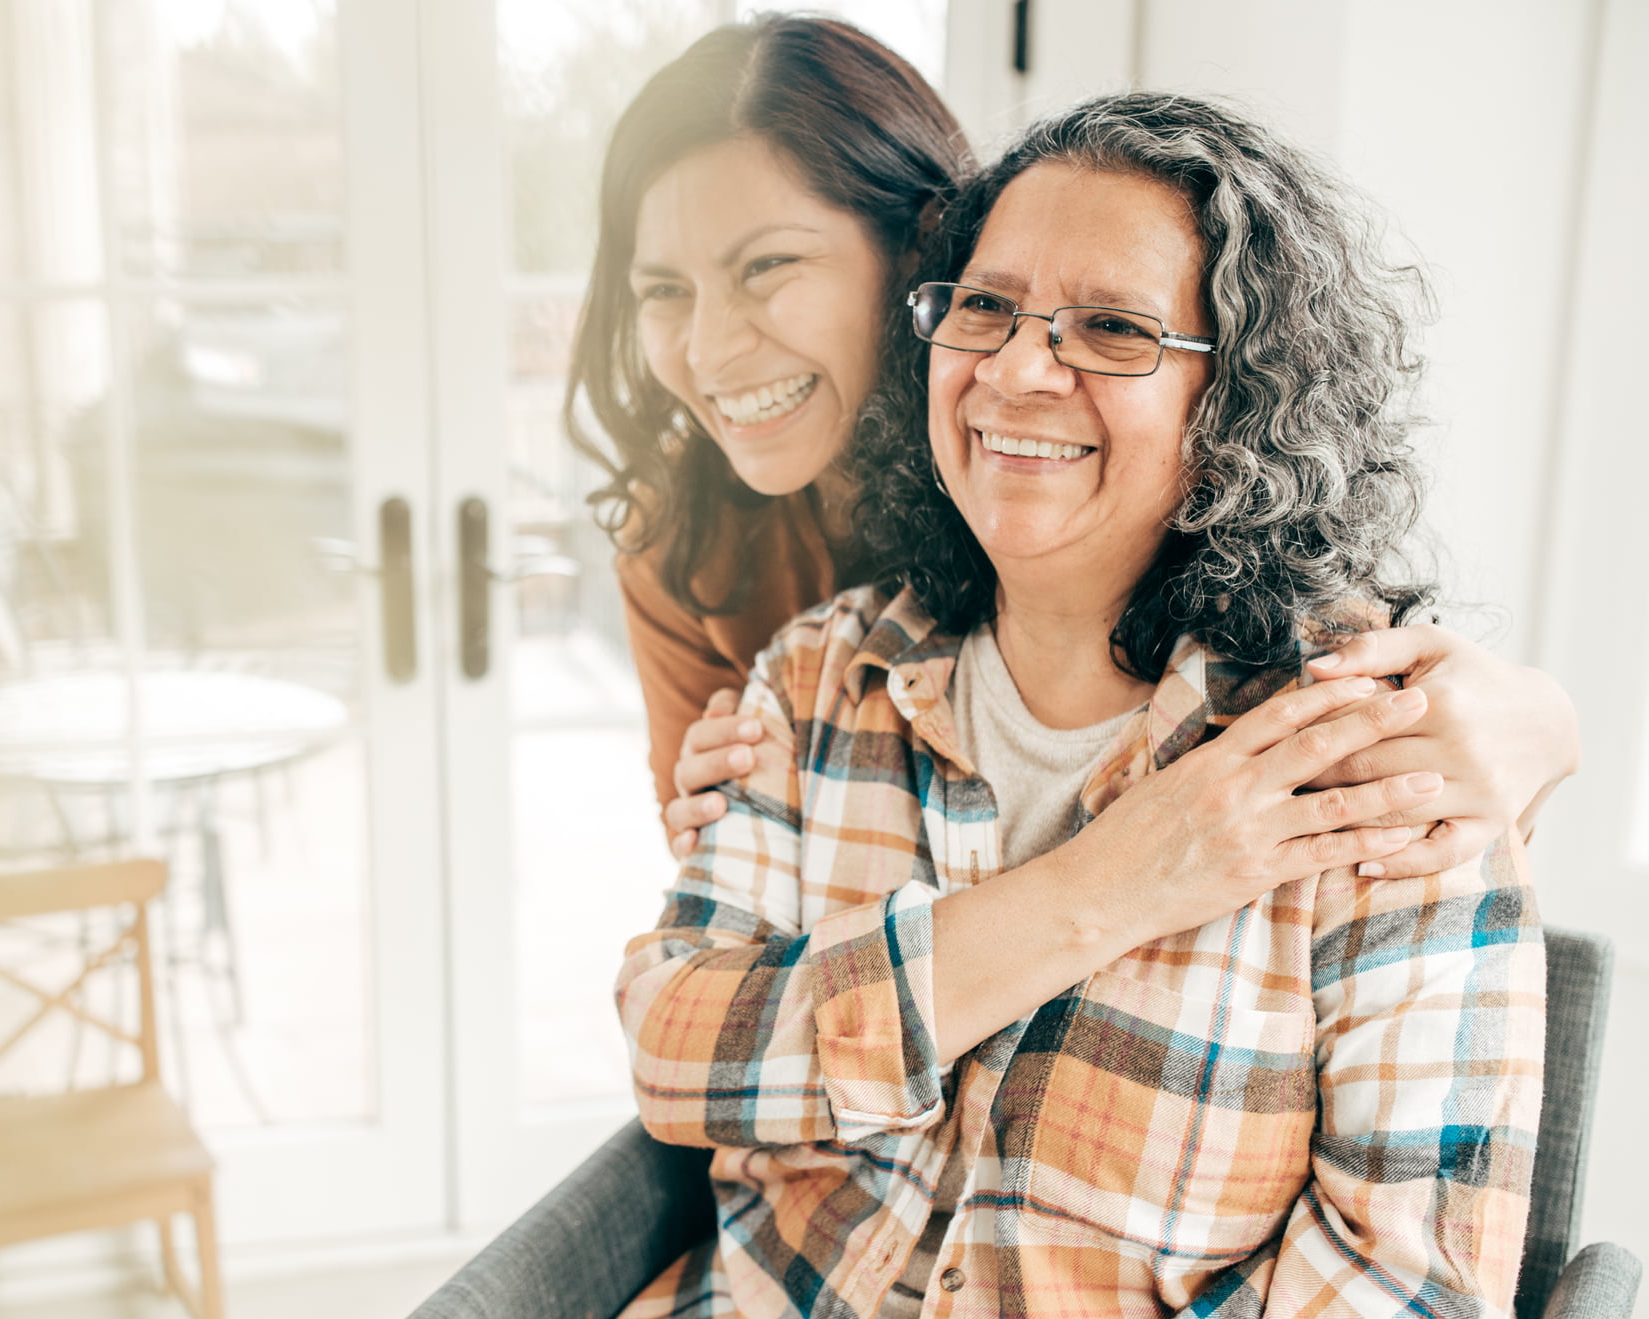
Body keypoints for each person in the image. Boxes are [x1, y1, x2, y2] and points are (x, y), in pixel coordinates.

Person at [547, 92, 1545, 1319]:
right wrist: (1107, 885)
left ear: (1240, 395)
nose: (1021, 370)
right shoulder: (815, 673)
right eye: (987, 309)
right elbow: (676, 1050)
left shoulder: (1368, 751)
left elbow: (1411, 1306)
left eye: (1114, 329)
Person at [573, 15, 1579, 869]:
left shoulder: (1095, 477)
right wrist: (726, 834)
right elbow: (744, 934)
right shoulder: (680, 540)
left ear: (928, 246)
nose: (705, 348)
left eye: (765, 267)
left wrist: (1540, 724)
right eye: (661, 290)